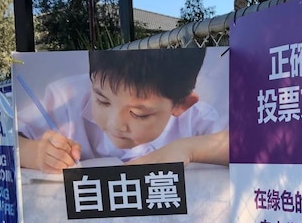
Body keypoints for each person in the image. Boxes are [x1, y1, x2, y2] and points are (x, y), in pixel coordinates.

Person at [16, 48, 228, 172]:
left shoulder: (196, 119)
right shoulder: (66, 98)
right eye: (102, 101)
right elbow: (4, 141)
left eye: (138, 114)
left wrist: (187, 149)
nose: (115, 123)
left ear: (181, 104)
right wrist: (35, 153)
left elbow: (251, 144)